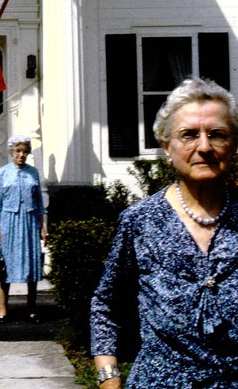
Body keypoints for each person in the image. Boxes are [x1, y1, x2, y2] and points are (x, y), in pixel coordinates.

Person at [91, 77, 238, 388]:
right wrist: (109, 379)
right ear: (167, 147)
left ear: (233, 145)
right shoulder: (139, 221)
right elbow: (107, 304)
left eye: (217, 135)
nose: (204, 146)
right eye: (189, 135)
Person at [0, 134, 47, 323]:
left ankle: (31, 308)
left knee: (32, 265)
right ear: (11, 152)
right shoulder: (3, 172)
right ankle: (2, 307)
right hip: (9, 221)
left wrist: (42, 227)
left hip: (30, 221)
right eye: (17, 151)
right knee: (6, 265)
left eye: (24, 151)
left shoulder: (33, 173)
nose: (21, 155)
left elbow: (39, 202)